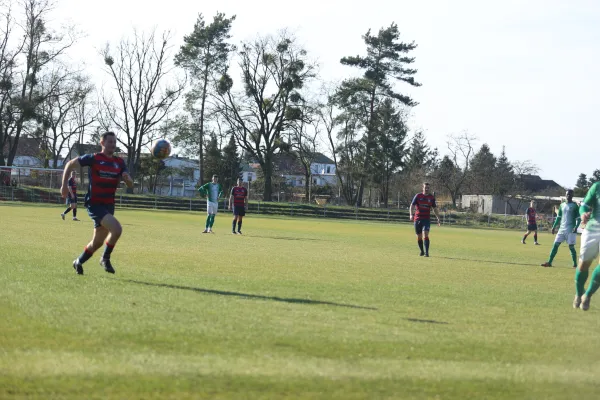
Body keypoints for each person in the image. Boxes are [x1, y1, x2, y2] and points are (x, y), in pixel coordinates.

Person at [60, 131, 133, 275]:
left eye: (114, 142)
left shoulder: (119, 162)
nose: (112, 144)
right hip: (95, 204)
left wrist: (128, 179)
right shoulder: (94, 158)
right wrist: (63, 186)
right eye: (109, 141)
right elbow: (69, 164)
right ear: (102, 143)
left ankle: (78, 261)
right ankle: (105, 258)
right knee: (117, 229)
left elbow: (130, 184)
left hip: (108, 205)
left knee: (97, 242)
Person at [573, 182, 600, 311]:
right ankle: (579, 294)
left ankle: (587, 294)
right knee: (583, 265)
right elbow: (584, 205)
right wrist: (583, 213)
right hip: (592, 230)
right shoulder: (597, 187)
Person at [541, 190, 580, 268]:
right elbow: (558, 217)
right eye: (567, 194)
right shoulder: (562, 205)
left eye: (570, 195)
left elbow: (578, 218)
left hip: (571, 229)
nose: (568, 196)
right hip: (561, 229)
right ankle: (549, 262)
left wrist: (576, 227)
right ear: (565, 195)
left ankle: (575, 265)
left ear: (572, 196)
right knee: (555, 245)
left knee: (571, 247)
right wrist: (554, 226)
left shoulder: (575, 206)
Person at [409, 182, 441, 257]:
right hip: (417, 219)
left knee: (425, 234)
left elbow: (435, 208)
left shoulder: (431, 198)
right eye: (425, 187)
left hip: (426, 219)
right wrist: (411, 214)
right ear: (422, 188)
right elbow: (412, 205)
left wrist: (438, 217)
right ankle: (422, 251)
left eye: (428, 188)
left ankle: (427, 253)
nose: (427, 189)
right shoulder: (418, 196)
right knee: (419, 236)